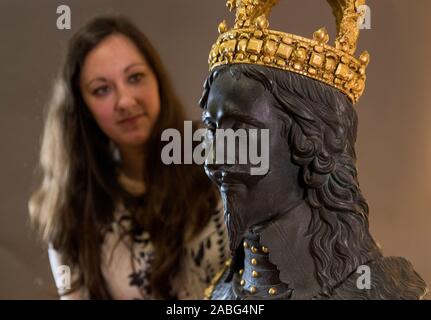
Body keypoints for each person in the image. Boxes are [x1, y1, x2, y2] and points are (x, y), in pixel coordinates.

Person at [199, 0, 428, 299]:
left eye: (242, 131)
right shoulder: (221, 291)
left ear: (312, 144)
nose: (213, 160)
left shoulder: (385, 293)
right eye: (213, 130)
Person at [29, 15, 228, 299]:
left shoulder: (221, 157)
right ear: (82, 108)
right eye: (102, 90)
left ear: (156, 78)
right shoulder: (69, 210)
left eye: (135, 77)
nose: (124, 101)